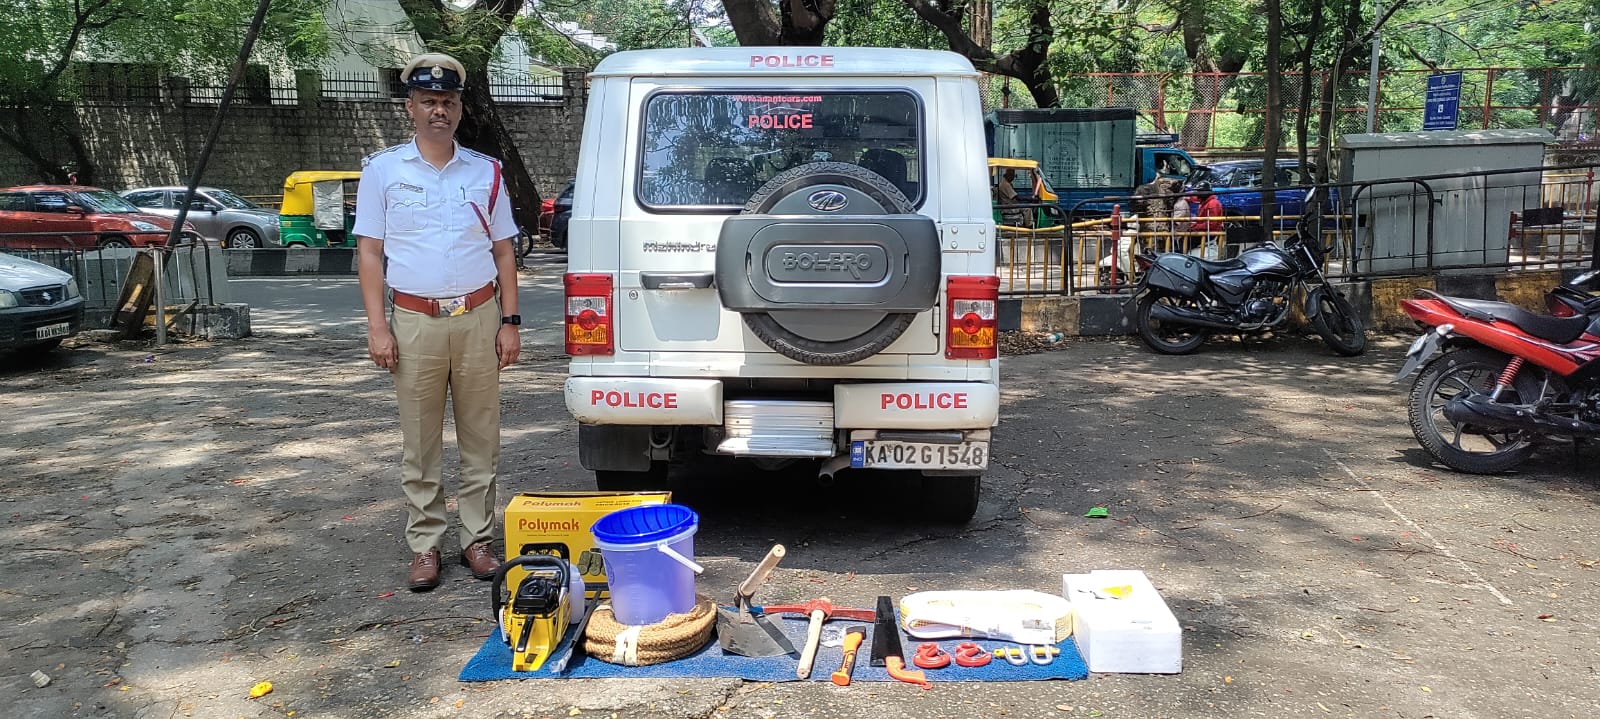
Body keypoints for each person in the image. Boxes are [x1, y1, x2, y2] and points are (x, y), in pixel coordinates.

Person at [353, 52, 521, 592]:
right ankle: (425, 545)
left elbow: (503, 252)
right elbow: (370, 253)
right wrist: (378, 327)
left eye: (447, 102)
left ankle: (477, 539)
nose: (439, 111)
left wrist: (510, 321)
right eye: (428, 101)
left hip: (478, 318)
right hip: (414, 321)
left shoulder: (486, 171)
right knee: (420, 441)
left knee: (481, 438)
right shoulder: (383, 171)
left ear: (459, 107)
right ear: (411, 109)